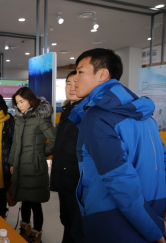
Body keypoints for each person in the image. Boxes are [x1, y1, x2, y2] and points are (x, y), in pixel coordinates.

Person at [68, 48, 166, 243]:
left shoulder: (98, 116)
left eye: (80, 72)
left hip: (114, 218)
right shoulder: (143, 113)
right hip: (153, 209)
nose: (74, 79)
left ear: (103, 74)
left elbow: (119, 179)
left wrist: (154, 230)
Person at [9, 87, 56, 243]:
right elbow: (15, 143)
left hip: (35, 167)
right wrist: (12, 163)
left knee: (35, 202)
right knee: (24, 199)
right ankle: (24, 228)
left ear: (31, 99)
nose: (19, 105)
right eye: (17, 103)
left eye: (22, 101)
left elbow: (55, 140)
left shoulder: (40, 118)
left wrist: (41, 152)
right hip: (20, 166)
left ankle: (37, 233)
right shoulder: (19, 119)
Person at [50, 70, 86, 243]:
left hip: (77, 182)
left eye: (76, 83)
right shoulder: (67, 110)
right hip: (64, 178)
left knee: (77, 229)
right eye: (68, 83)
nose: (72, 87)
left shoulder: (86, 112)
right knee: (67, 222)